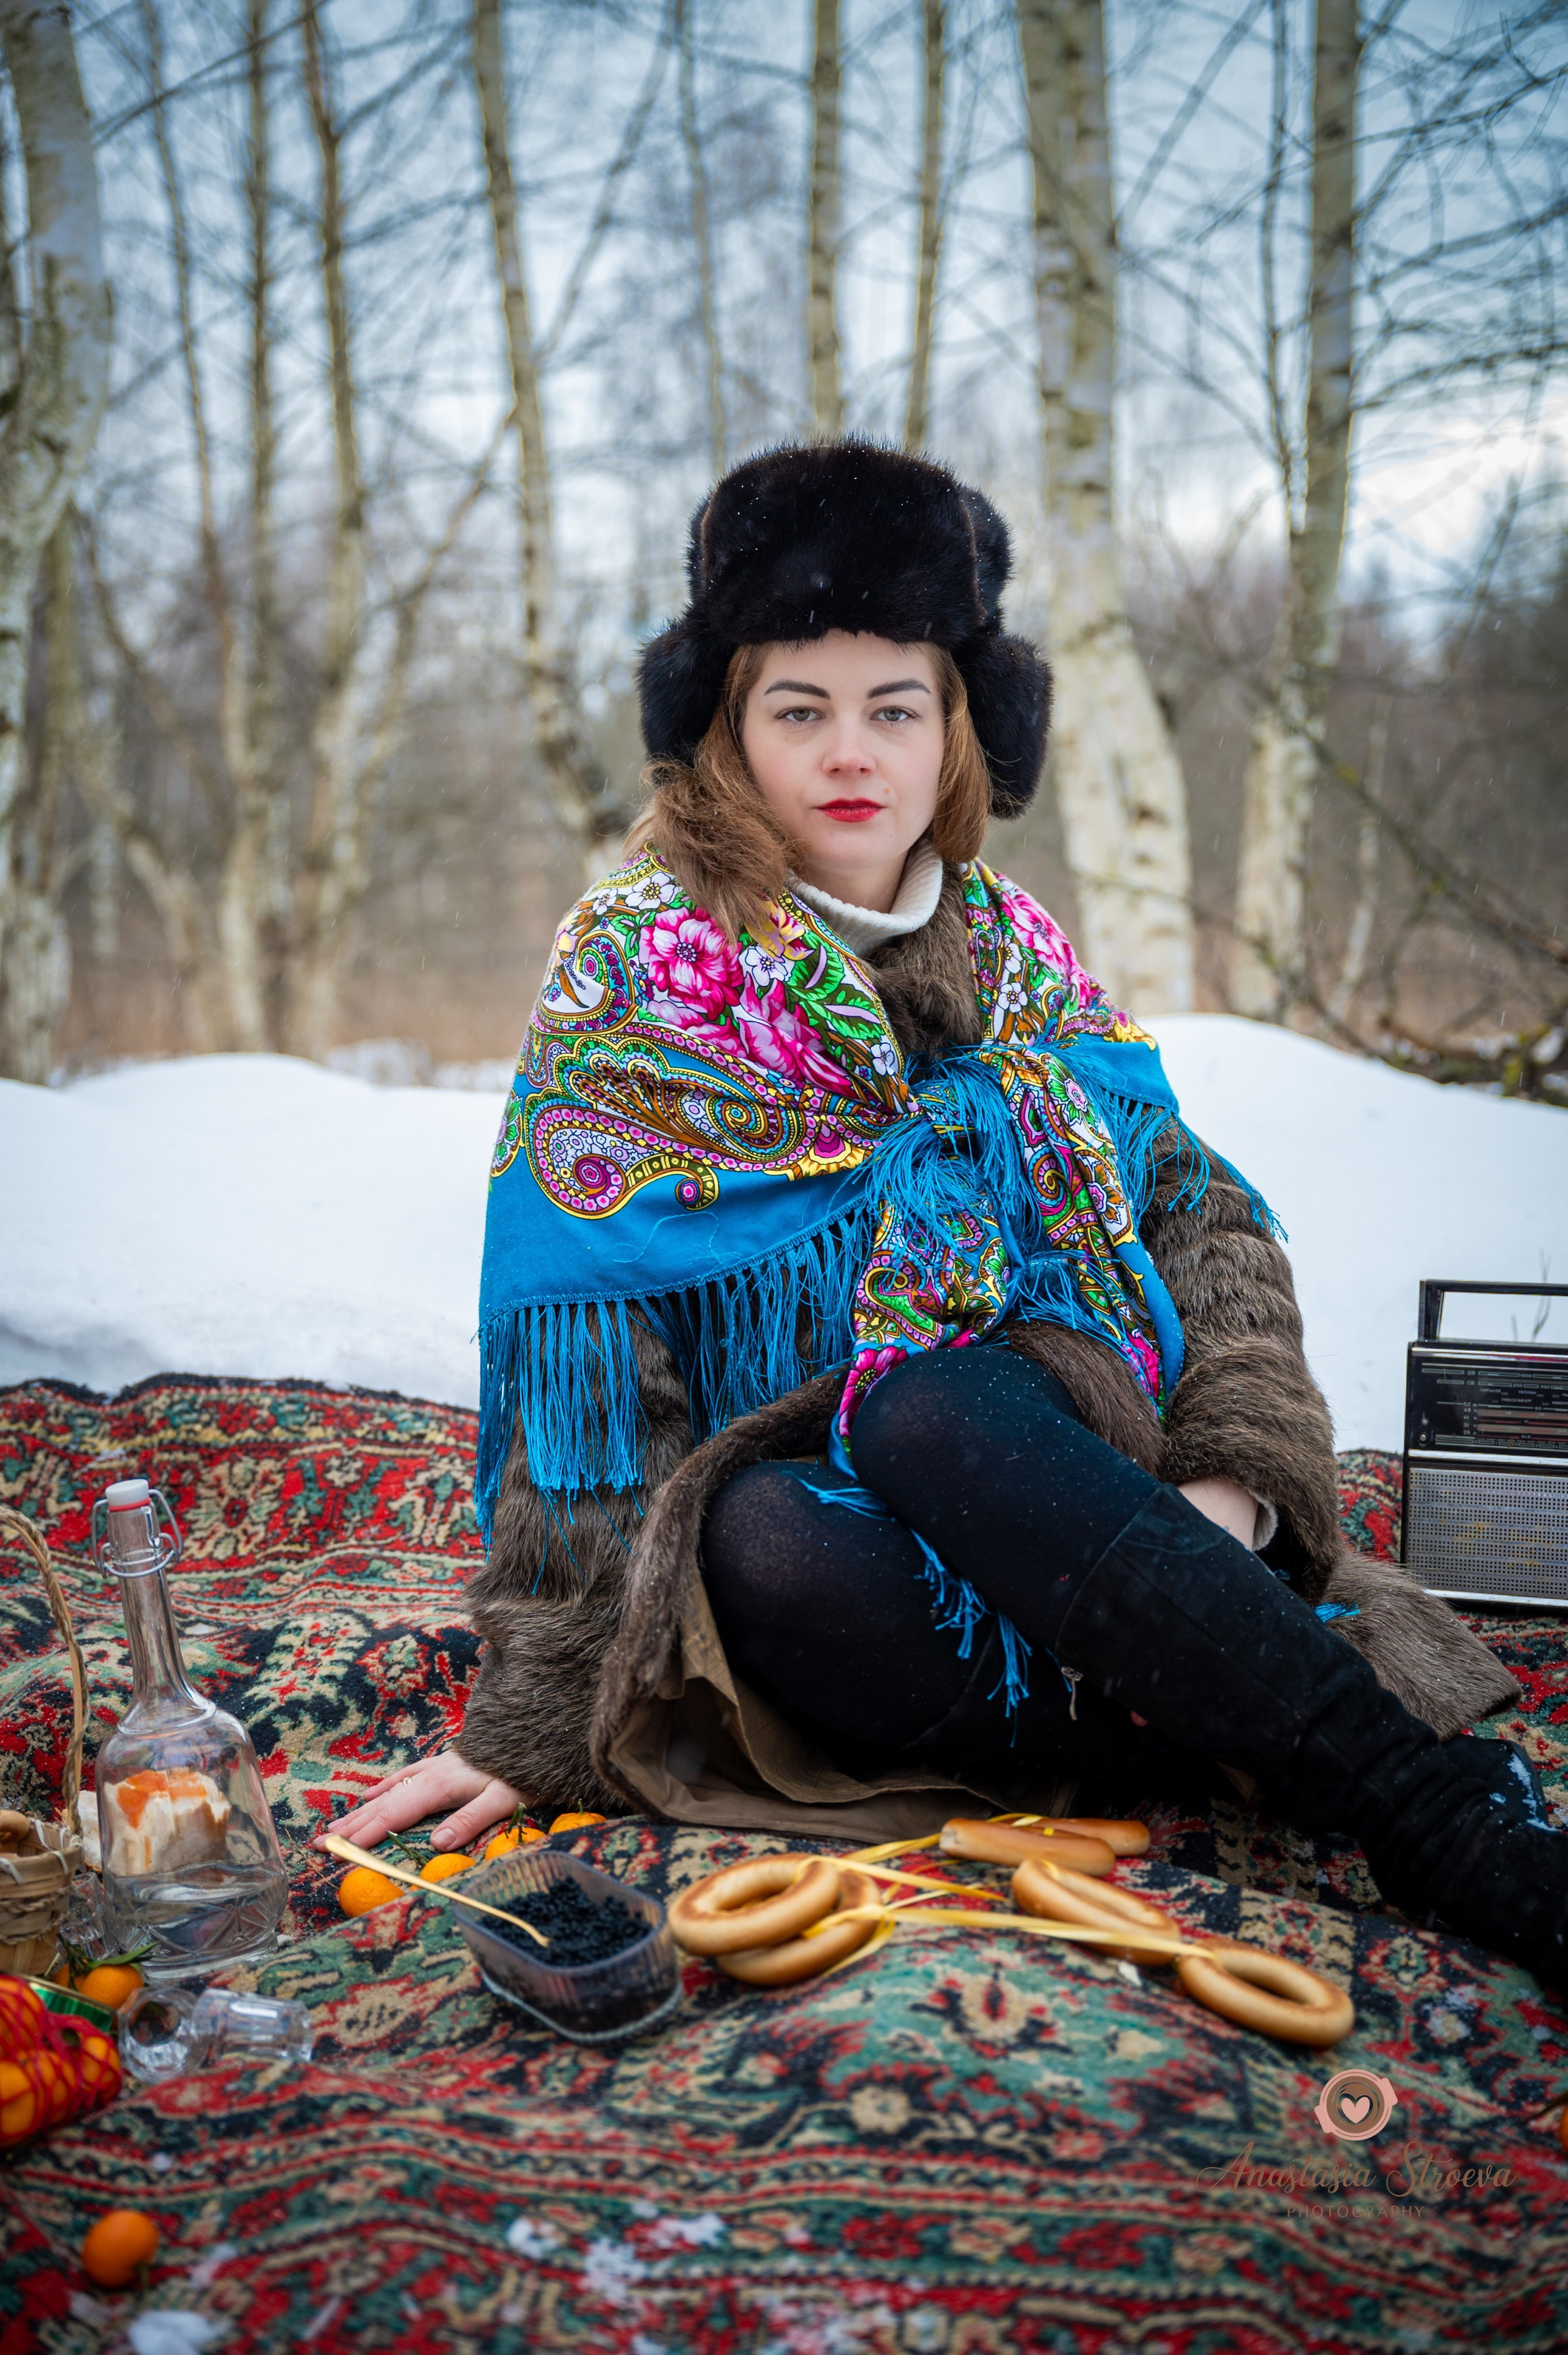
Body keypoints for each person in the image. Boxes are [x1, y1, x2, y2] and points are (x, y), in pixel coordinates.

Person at [327, 440, 1566, 1994]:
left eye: (892, 705)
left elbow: (1209, 1231)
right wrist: (538, 1717)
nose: (851, 751)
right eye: (799, 706)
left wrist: (1241, 1490)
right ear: (727, 727)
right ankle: (1210, 1684)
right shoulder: (633, 968)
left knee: (925, 1399)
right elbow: (588, 1387)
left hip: (1081, 1457)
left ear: (956, 724)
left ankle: (1428, 1813)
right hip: (852, 1546)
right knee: (755, 1528)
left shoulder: (1019, 957)